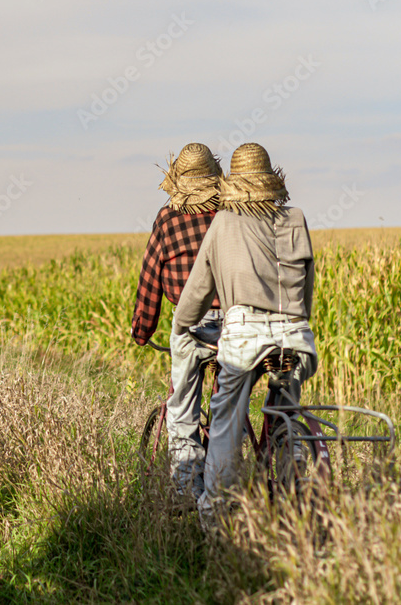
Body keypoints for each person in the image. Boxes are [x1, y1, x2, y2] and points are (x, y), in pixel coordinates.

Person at [172, 142, 318, 529]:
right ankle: (294, 481)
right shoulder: (297, 217)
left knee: (225, 423)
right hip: (296, 335)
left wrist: (182, 325)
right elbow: (306, 288)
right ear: (272, 182)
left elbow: (199, 290)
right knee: (286, 406)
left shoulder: (224, 222)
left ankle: (215, 519)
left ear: (233, 185)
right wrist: (296, 322)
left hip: (244, 337)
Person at [132, 142, 224, 503]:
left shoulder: (168, 218)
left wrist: (143, 328)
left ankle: (186, 494)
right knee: (226, 409)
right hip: (234, 321)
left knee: (182, 410)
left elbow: (150, 276)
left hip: (189, 323)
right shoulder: (228, 216)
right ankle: (221, 483)